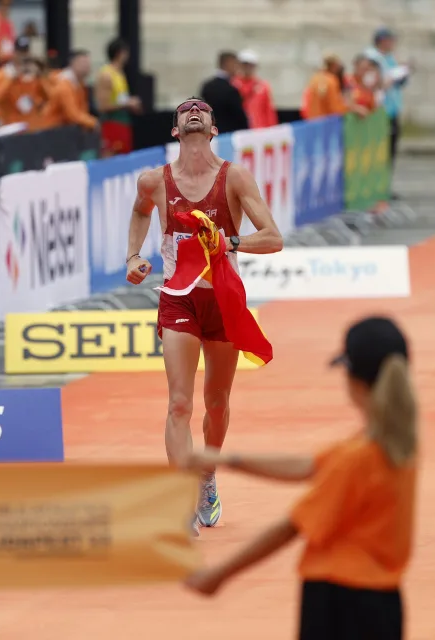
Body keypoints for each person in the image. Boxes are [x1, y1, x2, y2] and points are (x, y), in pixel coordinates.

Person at [182, 316, 418, 640]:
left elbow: (290, 527)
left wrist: (220, 574)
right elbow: (308, 466)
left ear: (356, 380)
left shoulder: (357, 457)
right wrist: (227, 460)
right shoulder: (397, 445)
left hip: (338, 601)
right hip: (386, 601)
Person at [124, 97, 283, 535]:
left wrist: (228, 243)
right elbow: (140, 213)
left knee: (217, 401)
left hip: (223, 301)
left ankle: (207, 475)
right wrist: (133, 255)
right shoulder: (155, 181)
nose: (193, 111)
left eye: (203, 109)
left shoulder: (235, 178)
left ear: (213, 127)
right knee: (179, 401)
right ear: (176, 129)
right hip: (178, 299)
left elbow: (273, 238)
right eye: (184, 110)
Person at [366, 28, 414, 199]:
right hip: (378, 111)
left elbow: (396, 82)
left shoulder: (389, 58)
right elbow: (374, 83)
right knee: (378, 151)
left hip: (392, 109)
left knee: (390, 151)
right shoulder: (371, 58)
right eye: (390, 40)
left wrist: (403, 74)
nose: (393, 44)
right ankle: (375, 187)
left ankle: (384, 186)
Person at [95, 37, 141, 156]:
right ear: (120, 53)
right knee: (111, 161)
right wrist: (127, 104)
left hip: (124, 124)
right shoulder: (106, 75)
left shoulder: (120, 74)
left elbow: (121, 98)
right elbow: (102, 106)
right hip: (111, 125)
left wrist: (131, 104)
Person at [46, 49, 97, 130]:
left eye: (88, 63)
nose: (87, 66)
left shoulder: (79, 84)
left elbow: (82, 110)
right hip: (53, 130)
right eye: (83, 63)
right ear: (73, 63)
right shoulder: (64, 85)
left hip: (66, 130)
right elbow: (73, 114)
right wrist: (93, 123)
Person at [199, 51, 248, 133]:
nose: (237, 69)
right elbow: (239, 117)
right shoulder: (230, 89)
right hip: (229, 135)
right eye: (235, 64)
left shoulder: (207, 86)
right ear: (228, 64)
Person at [232, 49, 277, 129]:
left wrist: (272, 129)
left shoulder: (263, 86)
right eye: (245, 64)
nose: (247, 68)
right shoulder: (232, 84)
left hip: (259, 129)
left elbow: (269, 110)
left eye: (251, 65)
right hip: (239, 129)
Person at [300, 52, 349, 119]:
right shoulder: (331, 80)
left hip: (312, 120)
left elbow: (306, 103)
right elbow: (335, 107)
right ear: (334, 65)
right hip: (325, 122)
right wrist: (349, 108)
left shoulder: (314, 78)